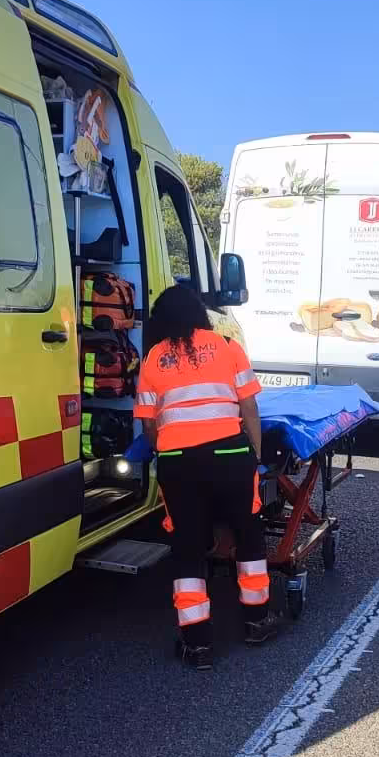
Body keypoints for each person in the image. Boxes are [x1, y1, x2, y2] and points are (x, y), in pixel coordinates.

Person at [134, 286, 282, 671]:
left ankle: (197, 643)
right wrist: (256, 453)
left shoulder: (153, 359)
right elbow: (249, 405)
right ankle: (256, 621)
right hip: (230, 456)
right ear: (200, 314)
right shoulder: (228, 346)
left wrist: (165, 447)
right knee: (247, 534)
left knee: (187, 546)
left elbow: (148, 424)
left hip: (179, 462)